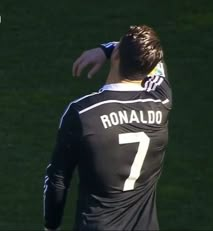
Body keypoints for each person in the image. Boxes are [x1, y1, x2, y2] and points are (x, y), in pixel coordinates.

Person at [43, 25, 172, 231]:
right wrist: (109, 49)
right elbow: (159, 60)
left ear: (117, 56)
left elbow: (57, 180)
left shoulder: (83, 113)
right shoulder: (161, 99)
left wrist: (51, 227)